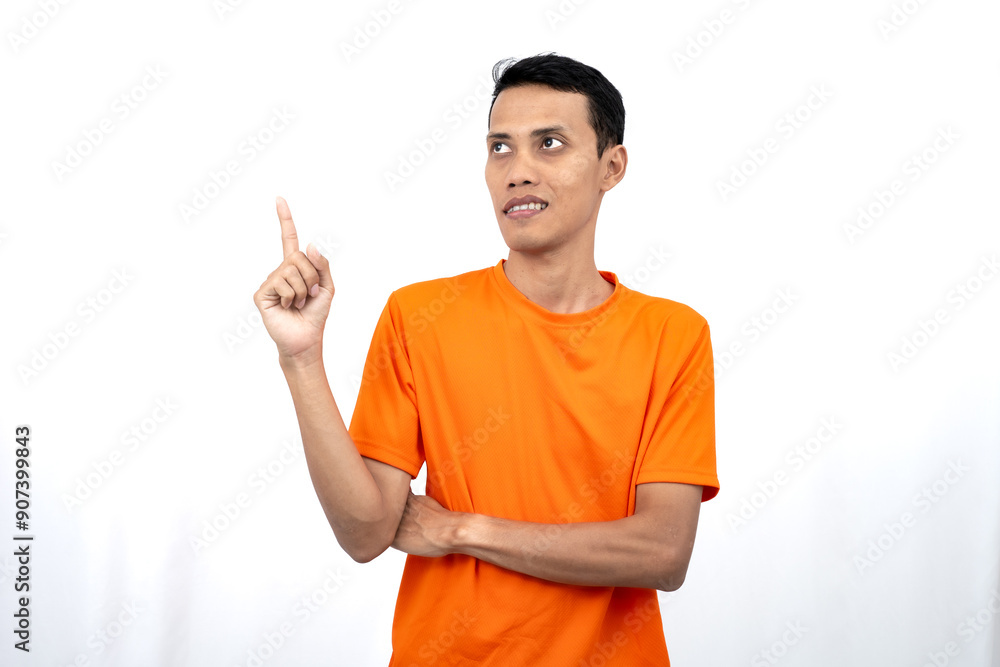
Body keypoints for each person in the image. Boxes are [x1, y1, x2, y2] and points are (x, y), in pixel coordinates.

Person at [253, 52, 719, 666]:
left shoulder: (673, 334)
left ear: (612, 166)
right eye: (500, 148)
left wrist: (461, 530)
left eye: (549, 143)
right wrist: (301, 360)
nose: (517, 171)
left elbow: (662, 553)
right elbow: (366, 533)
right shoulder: (420, 315)